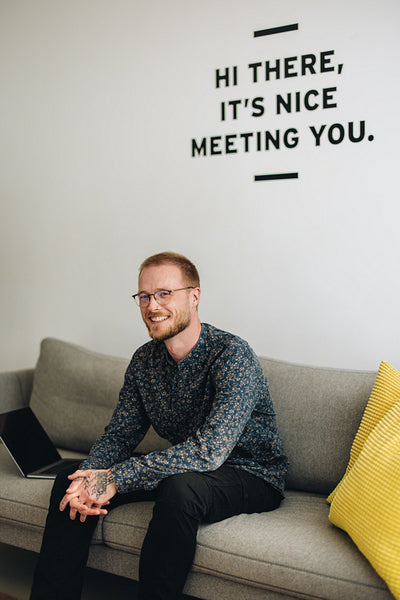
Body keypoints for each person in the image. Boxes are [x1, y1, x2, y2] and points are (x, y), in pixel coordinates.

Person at [30, 251, 289, 600]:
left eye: (165, 293)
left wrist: (116, 478)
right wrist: (91, 475)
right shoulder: (144, 361)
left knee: (181, 489)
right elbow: (121, 434)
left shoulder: (232, 355)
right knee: (70, 480)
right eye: (145, 296)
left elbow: (208, 451)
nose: (153, 306)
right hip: (189, 469)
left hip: (251, 473)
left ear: (194, 296)